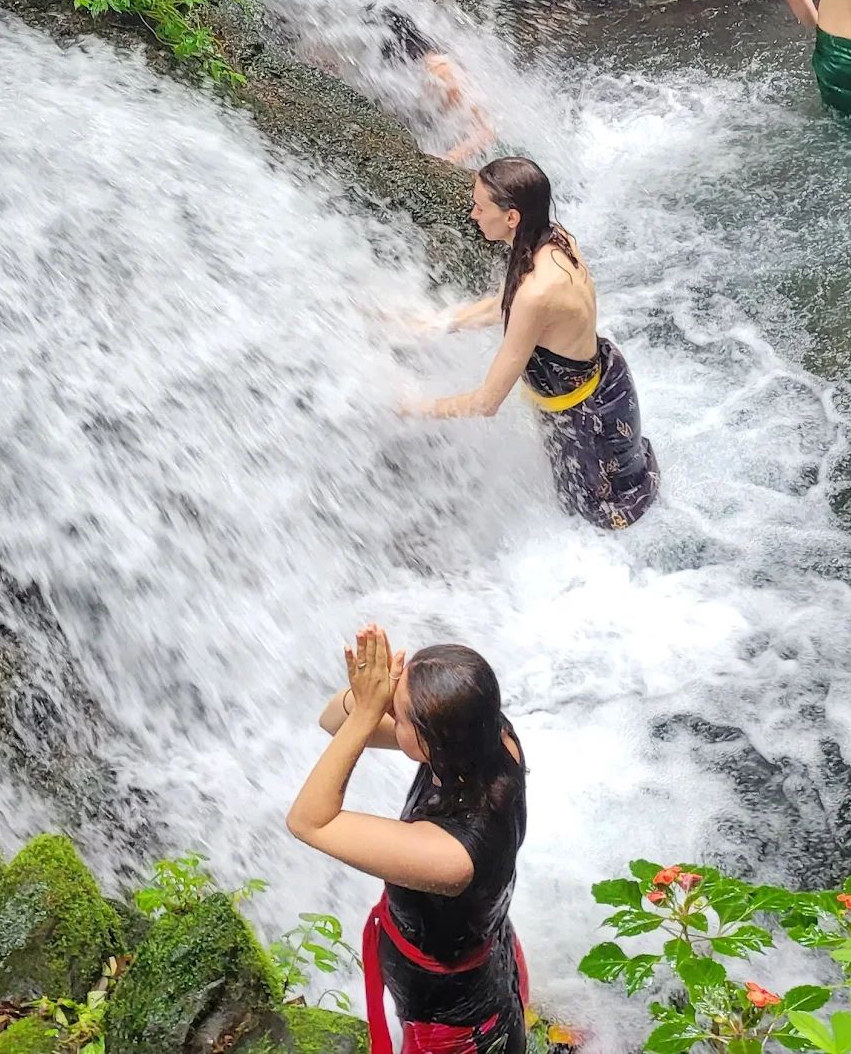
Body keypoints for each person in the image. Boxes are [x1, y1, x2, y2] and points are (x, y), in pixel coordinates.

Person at [287, 625, 528, 1054]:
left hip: (455, 1023)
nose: (387, 714)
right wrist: (367, 698)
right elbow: (331, 722)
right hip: (475, 948)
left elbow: (309, 821)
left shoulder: (451, 856)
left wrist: (366, 714)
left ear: (429, 737)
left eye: (397, 713)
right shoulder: (489, 738)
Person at [414, 156, 658, 530]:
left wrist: (417, 408)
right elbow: (502, 305)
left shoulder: (537, 292)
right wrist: (433, 325)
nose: (472, 214)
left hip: (589, 426)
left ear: (511, 217)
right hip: (604, 388)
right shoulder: (552, 237)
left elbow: (486, 402)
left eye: (480, 207)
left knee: (594, 526)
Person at [371, 6, 496, 167]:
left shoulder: (439, 71)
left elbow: (486, 130)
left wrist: (447, 160)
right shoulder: (410, 74)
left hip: (477, 157)